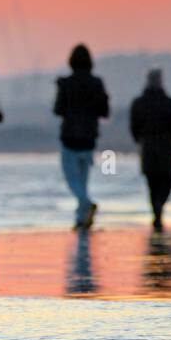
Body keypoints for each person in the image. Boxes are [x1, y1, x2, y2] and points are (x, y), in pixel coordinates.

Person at [53, 44, 109, 230]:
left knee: (72, 179)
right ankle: (81, 218)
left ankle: (85, 205)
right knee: (83, 180)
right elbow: (104, 110)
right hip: (89, 137)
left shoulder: (66, 83)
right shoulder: (96, 83)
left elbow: (58, 110)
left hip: (69, 137)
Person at [129, 68, 171, 231]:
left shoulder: (139, 103)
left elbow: (134, 126)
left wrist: (139, 139)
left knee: (152, 184)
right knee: (166, 183)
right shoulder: (170, 103)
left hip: (147, 147)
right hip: (165, 148)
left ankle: (157, 211)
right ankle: (158, 210)